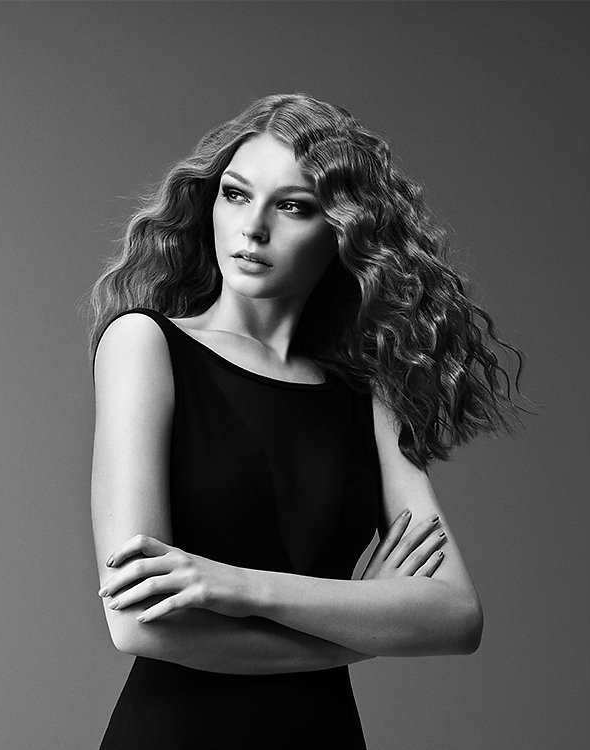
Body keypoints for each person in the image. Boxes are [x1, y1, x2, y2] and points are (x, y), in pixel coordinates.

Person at [86, 93, 521, 749]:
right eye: (235, 195)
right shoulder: (145, 344)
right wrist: (355, 632)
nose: (252, 227)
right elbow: (140, 624)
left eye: (292, 206)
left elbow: (455, 616)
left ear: (343, 230)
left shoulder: (365, 394)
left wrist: (239, 586)